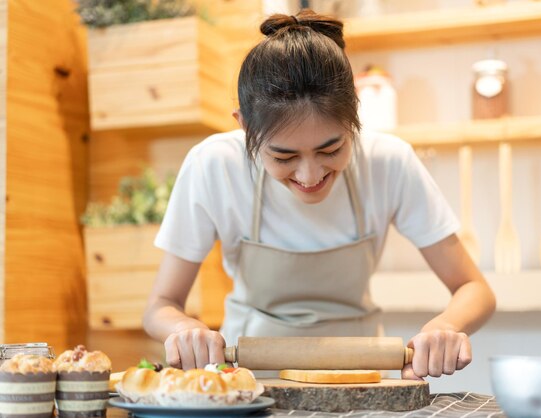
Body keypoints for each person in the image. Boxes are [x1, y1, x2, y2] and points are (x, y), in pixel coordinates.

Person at [143, 9, 496, 380]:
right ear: (245, 127)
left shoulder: (389, 162)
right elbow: (160, 306)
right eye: (284, 156)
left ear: (354, 116)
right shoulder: (214, 165)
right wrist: (184, 331)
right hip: (249, 384)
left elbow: (474, 289)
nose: (309, 175)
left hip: (361, 380)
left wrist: (443, 328)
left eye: (331, 150)